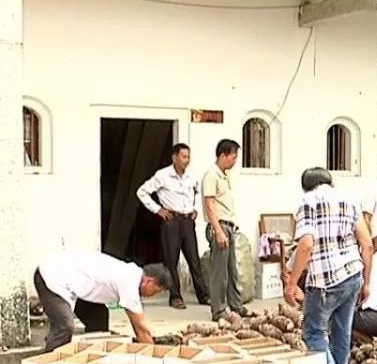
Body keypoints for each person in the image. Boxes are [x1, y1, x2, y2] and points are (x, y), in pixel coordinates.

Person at [284, 167, 373, 364]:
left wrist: (292, 283)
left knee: (313, 332)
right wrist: (367, 281)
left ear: (306, 186)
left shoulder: (308, 201)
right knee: (342, 328)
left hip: (325, 279)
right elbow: (367, 244)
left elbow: (306, 245)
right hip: (353, 273)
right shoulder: (349, 199)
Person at [33, 250, 172, 352]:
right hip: (51, 277)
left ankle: (92, 356)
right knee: (65, 326)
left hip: (74, 283)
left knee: (98, 317)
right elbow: (141, 330)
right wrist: (155, 358)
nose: (152, 296)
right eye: (156, 291)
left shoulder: (130, 273)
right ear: (149, 281)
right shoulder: (129, 282)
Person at [136, 143, 210, 310]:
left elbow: (198, 194)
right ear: (174, 157)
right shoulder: (163, 175)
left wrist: (196, 209)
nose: (186, 161)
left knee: (194, 260)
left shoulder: (191, 176)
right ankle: (175, 296)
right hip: (171, 221)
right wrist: (158, 210)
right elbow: (142, 192)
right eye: (183, 157)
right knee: (171, 261)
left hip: (187, 221)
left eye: (188, 157)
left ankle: (203, 295)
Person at [201, 138, 249, 322]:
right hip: (219, 225)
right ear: (223, 155)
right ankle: (219, 310)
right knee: (219, 272)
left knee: (232, 270)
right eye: (233, 157)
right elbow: (209, 204)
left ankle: (236, 305)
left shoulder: (224, 175)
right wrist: (218, 230)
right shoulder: (211, 175)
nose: (235, 161)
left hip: (228, 225)